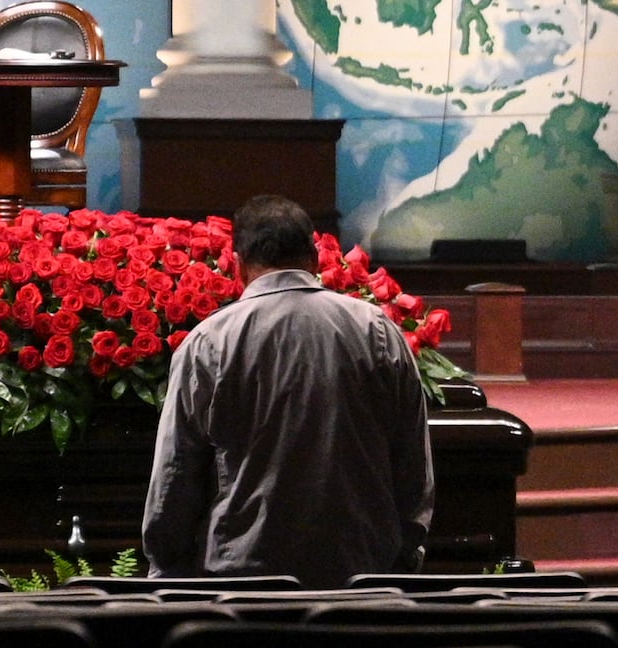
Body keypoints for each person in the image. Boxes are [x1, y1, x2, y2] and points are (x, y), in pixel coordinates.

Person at [141, 194, 432, 581]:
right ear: (314, 259)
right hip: (360, 578)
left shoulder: (209, 343)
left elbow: (175, 473)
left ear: (240, 267)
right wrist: (404, 555)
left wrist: (167, 568)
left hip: (242, 586)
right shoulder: (375, 330)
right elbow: (412, 461)